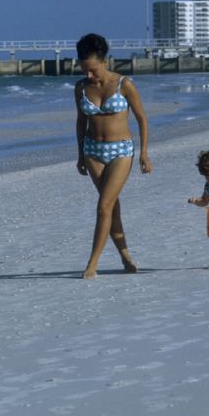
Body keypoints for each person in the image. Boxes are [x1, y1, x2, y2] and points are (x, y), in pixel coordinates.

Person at [74, 33, 152, 279]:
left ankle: (92, 264)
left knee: (104, 206)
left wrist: (144, 153)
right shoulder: (81, 88)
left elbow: (141, 118)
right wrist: (79, 154)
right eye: (85, 70)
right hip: (92, 152)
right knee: (111, 207)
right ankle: (126, 258)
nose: (89, 75)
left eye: (93, 70)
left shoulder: (124, 84)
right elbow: (80, 121)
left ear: (104, 61)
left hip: (121, 151)